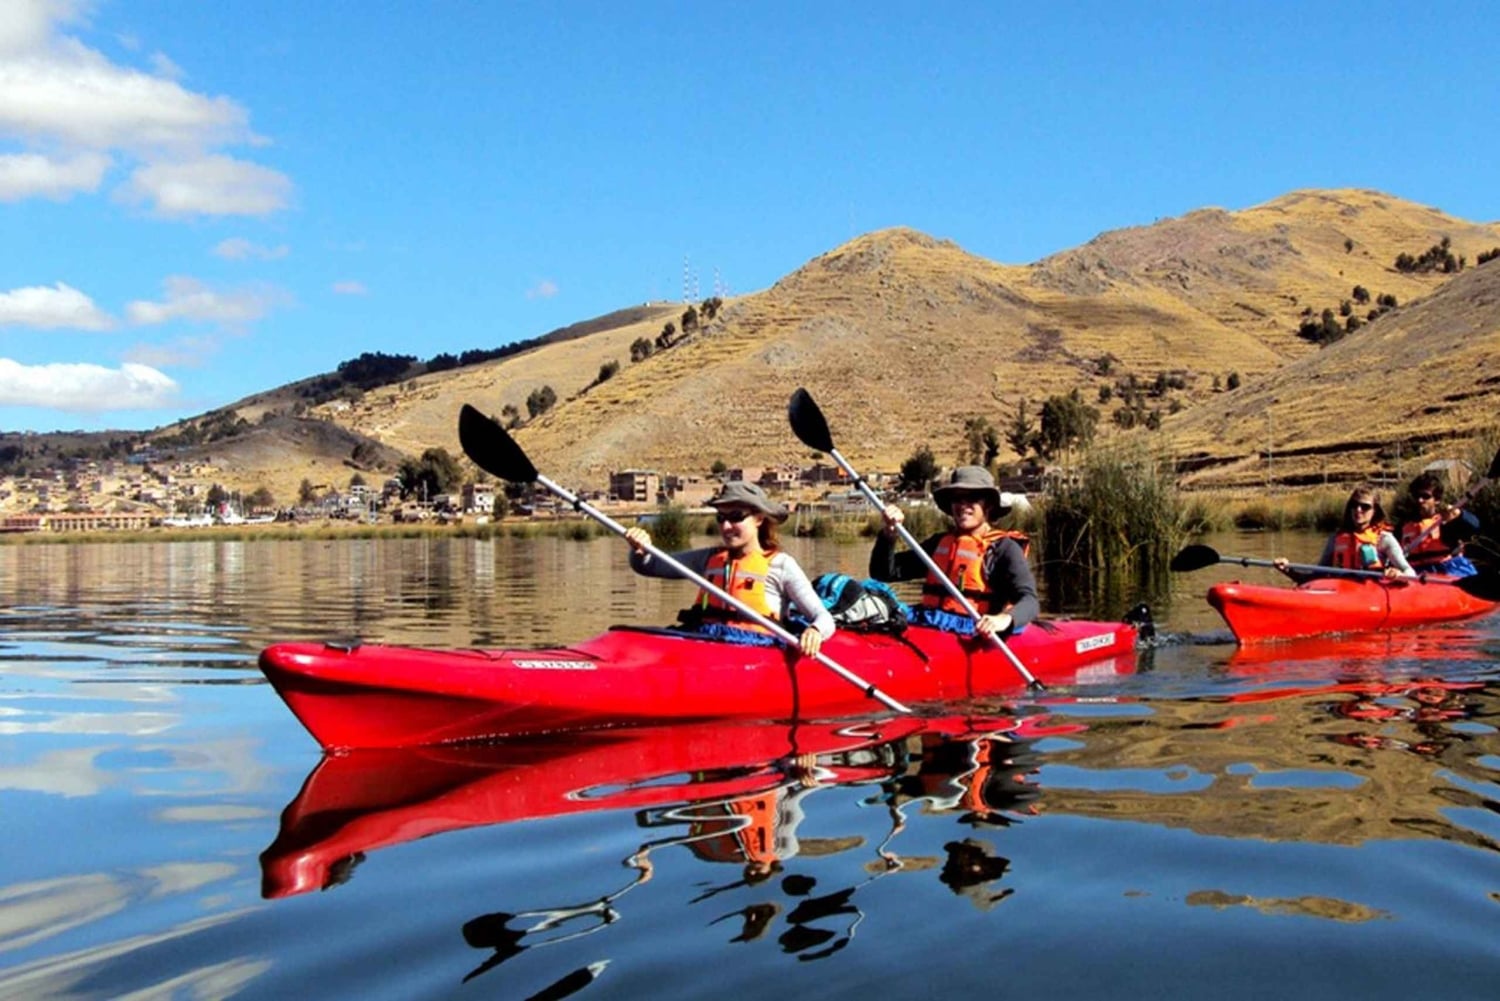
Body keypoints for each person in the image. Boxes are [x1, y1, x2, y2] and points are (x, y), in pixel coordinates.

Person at [623, 481, 834, 656]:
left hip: (756, 649)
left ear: (759, 518)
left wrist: (815, 631)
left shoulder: (781, 565)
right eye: (721, 518)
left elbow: (824, 619)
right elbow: (648, 566)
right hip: (705, 640)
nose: (725, 526)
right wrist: (640, 549)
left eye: (736, 517)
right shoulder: (708, 559)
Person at [869, 466, 1038, 638]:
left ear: (988, 505)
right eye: (957, 499)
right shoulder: (938, 544)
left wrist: (1004, 619)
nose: (963, 505)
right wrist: (889, 534)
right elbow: (883, 572)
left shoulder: (1004, 549)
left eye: (972, 498)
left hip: (974, 630)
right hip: (929, 622)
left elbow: (1030, 600)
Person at [1274, 484, 1416, 581]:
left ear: (1375, 511)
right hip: (1341, 590)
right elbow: (1315, 577)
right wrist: (1288, 570)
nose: (1358, 510)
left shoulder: (1384, 539)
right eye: (1354, 505)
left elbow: (1410, 572)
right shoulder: (1336, 539)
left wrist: (1399, 575)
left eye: (1365, 507)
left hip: (1371, 593)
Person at [1398, 472, 1480, 576]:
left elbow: (1475, 525)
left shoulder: (1446, 521)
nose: (1420, 500)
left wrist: (1459, 514)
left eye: (1426, 496)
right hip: (1417, 573)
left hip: (1447, 570)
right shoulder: (1404, 526)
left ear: (1437, 500)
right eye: (1416, 496)